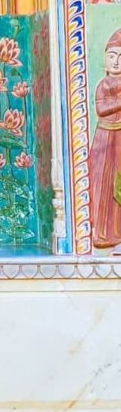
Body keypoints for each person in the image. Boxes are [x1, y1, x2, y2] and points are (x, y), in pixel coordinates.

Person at [88, 29, 121, 250]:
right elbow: (101, 109)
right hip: (105, 138)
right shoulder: (103, 85)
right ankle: (101, 232)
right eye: (112, 56)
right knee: (103, 184)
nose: (116, 62)